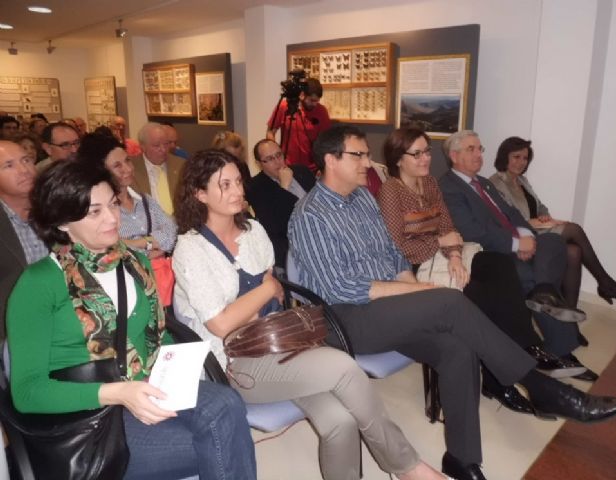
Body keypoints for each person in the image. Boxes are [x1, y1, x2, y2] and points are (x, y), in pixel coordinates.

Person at [288, 124, 616, 480]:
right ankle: (542, 387)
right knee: (448, 301)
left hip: (382, 309)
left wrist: (415, 288)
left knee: (457, 349)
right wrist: (419, 293)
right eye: (359, 155)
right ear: (331, 160)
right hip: (343, 319)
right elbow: (341, 288)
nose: (368, 164)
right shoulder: (310, 215)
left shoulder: (363, 199)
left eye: (368, 155)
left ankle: (462, 460)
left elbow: (393, 256)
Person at [172, 148, 448, 480]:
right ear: (200, 194)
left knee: (339, 420)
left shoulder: (254, 232)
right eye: (224, 185)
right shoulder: (190, 248)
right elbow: (221, 324)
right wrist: (265, 291)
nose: (237, 191)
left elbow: (267, 301)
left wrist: (255, 302)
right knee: (344, 368)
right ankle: (407, 467)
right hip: (233, 364)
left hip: (279, 343)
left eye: (238, 182)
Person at [7, 161, 256, 479]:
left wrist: (174, 370)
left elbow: (156, 336)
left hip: (145, 386)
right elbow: (27, 393)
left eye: (112, 204)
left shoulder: (134, 262)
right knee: (225, 439)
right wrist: (119, 393)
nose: (113, 218)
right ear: (62, 222)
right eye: (94, 212)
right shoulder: (39, 283)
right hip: (89, 420)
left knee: (227, 405)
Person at [376, 128, 585, 391]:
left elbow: (448, 226)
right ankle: (511, 368)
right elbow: (396, 247)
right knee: (484, 292)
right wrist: (442, 244)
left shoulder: (429, 183)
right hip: (414, 265)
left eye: (427, 151)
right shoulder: (390, 191)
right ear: (398, 159)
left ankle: (528, 347)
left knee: (500, 266)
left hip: (446, 255)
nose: (426, 158)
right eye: (417, 154)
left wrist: (454, 255)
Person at [438, 130, 598, 380]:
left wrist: (527, 237)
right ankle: (562, 351)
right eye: (471, 149)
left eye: (480, 149)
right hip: (492, 253)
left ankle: (543, 294)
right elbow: (471, 231)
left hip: (514, 241)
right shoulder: (448, 187)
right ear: (454, 155)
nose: (479, 154)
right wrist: (516, 245)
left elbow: (511, 213)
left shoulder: (484, 183)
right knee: (529, 276)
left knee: (555, 242)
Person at [489, 136, 616, 306]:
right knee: (574, 229)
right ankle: (607, 284)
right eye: (516, 157)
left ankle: (570, 311)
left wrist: (544, 216)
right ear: (505, 156)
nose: (521, 162)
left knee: (574, 251)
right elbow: (504, 219)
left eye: (525, 158)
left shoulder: (522, 180)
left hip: (538, 229)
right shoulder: (495, 183)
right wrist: (532, 222)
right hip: (522, 236)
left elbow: (540, 206)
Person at [77, 133, 177, 258]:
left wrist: (138, 243)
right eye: (117, 166)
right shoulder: (99, 211)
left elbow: (172, 229)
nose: (128, 169)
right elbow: (107, 249)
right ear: (101, 171)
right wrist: (150, 249)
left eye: (127, 160)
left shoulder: (144, 200)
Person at [0, 141, 48, 341]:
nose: (24, 170)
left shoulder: (53, 211)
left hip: (60, 323)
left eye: (26, 160)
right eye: (9, 165)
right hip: (10, 333)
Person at [246, 139, 315, 268]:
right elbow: (276, 226)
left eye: (279, 155)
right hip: (291, 248)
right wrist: (284, 187)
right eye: (269, 159)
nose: (277, 161)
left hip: (318, 235)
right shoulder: (255, 187)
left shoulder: (302, 171)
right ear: (259, 164)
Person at [266, 77, 331, 173]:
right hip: (287, 166)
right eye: (312, 100)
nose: (314, 104)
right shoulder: (284, 107)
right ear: (302, 95)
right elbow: (270, 132)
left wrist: (323, 166)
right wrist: (275, 154)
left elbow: (326, 141)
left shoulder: (321, 111)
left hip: (312, 168)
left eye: (317, 101)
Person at [131, 122, 185, 216]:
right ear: (143, 146)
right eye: (156, 145)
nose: (163, 149)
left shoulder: (181, 165)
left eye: (166, 144)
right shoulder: (131, 169)